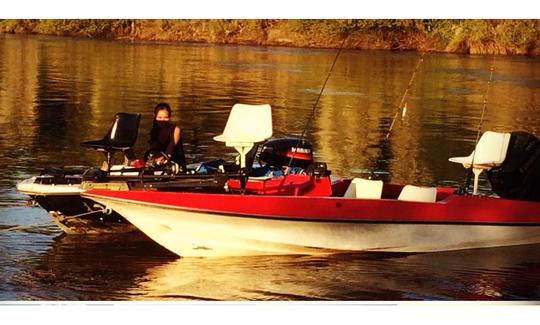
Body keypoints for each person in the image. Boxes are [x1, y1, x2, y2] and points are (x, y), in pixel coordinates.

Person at [144, 102, 187, 171]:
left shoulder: (176, 130)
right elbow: (152, 150)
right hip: (159, 163)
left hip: (175, 166)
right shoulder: (154, 131)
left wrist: (161, 159)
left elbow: (170, 150)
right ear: (155, 117)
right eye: (160, 118)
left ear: (169, 117)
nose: (162, 121)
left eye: (165, 118)